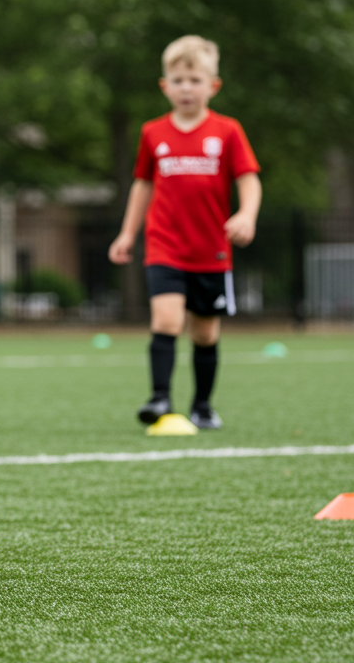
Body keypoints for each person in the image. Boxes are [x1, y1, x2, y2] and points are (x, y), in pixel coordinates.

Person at [108, 35, 261, 430]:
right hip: (164, 246)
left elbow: (248, 179)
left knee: (206, 334)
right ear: (165, 86)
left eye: (195, 80)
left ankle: (203, 405)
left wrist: (247, 214)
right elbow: (142, 185)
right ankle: (160, 398)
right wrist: (127, 234)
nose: (186, 88)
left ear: (213, 85)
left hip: (211, 251)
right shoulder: (152, 133)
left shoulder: (227, 131)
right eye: (178, 80)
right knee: (166, 320)